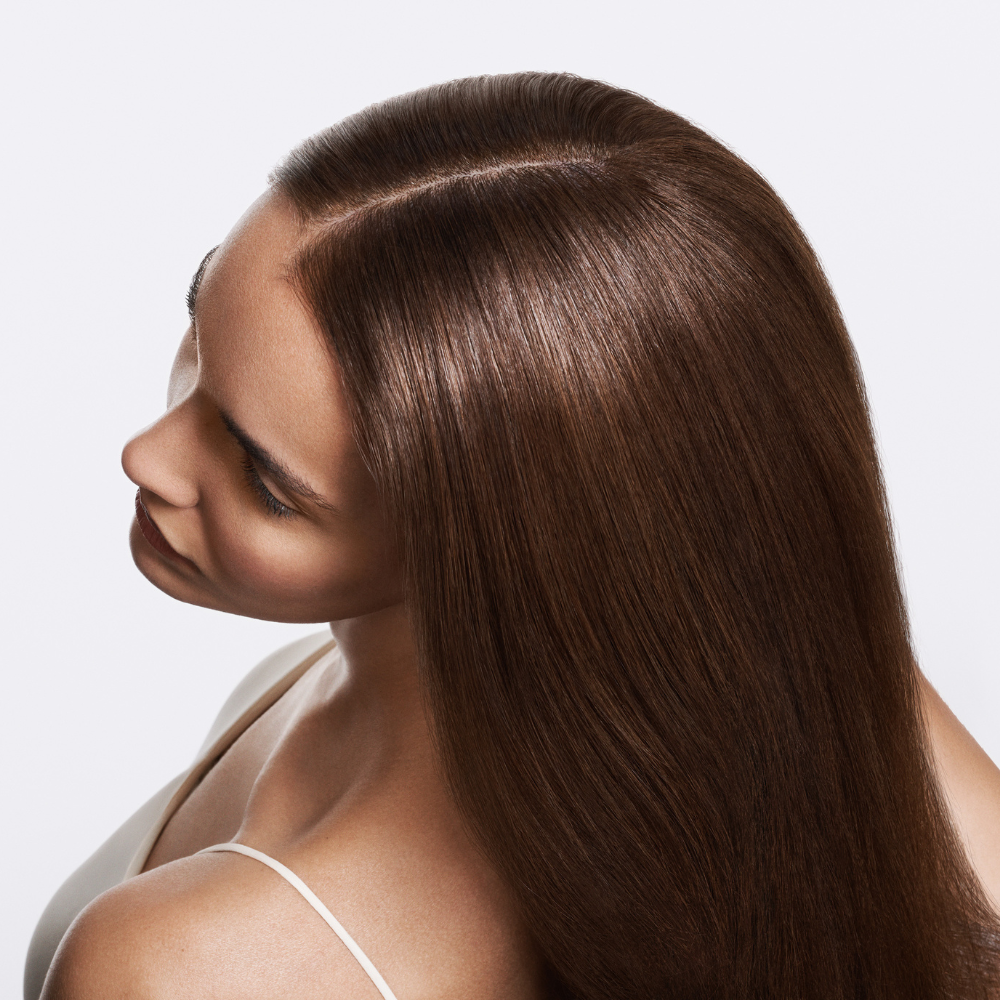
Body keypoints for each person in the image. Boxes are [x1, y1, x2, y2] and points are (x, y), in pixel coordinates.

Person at [26, 72, 1000, 1000]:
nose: (146, 456)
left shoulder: (171, 970)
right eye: (199, 330)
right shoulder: (825, 708)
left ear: (499, 531)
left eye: (266, 483)